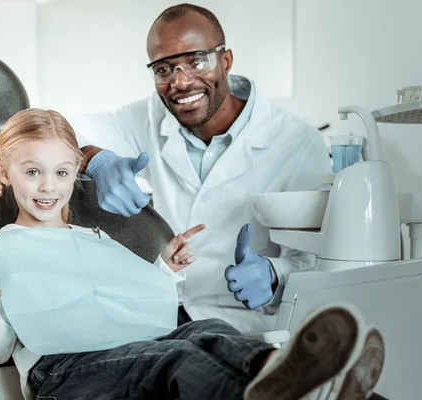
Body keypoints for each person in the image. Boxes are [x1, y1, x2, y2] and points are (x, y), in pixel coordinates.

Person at [0, 108, 384, 400]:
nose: (48, 186)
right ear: (4, 172)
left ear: (74, 173)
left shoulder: (91, 237)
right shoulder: (3, 248)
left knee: (208, 331)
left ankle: (289, 372)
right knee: (175, 359)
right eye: (33, 173)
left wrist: (167, 269)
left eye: (61, 173)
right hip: (62, 372)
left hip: (122, 346)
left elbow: (130, 300)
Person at [71, 3, 332, 333]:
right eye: (164, 69)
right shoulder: (149, 117)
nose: (180, 82)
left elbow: (314, 262)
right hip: (160, 309)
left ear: (225, 61)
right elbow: (60, 130)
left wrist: (274, 274)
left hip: (239, 322)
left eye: (196, 61)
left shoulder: (297, 142)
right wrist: (94, 158)